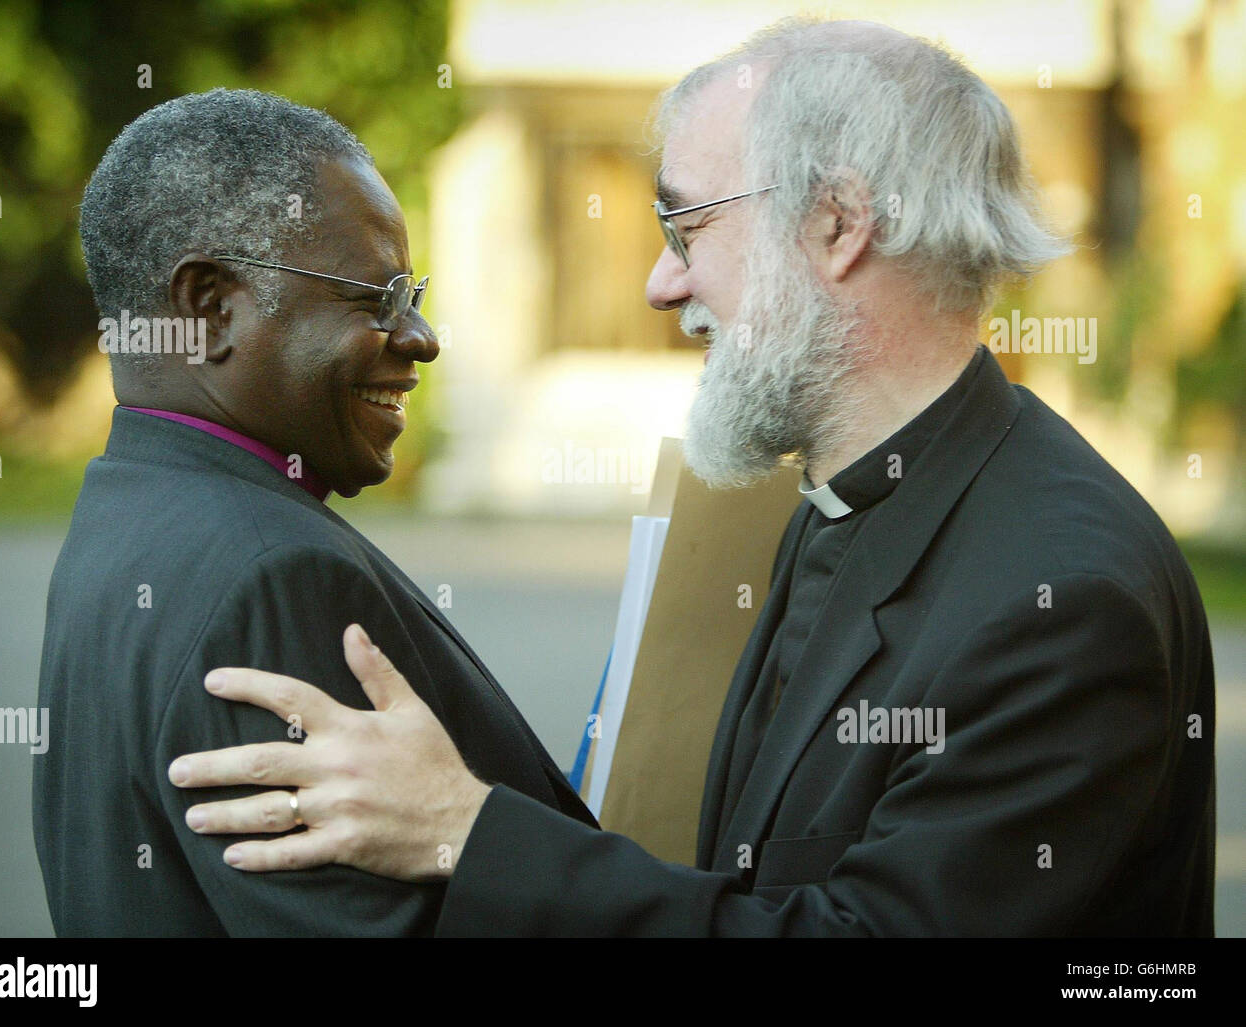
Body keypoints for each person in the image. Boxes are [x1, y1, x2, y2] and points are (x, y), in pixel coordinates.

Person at [168, 20, 1217, 936]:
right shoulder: (843, 488)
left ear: (838, 225)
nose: (660, 282)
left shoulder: (1059, 597)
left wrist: (466, 833)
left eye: (686, 225)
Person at [33, 88, 593, 937]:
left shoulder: (130, 506)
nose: (421, 337)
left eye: (415, 293)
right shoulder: (270, 577)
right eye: (377, 298)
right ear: (211, 309)